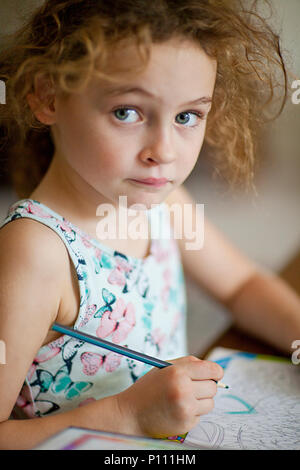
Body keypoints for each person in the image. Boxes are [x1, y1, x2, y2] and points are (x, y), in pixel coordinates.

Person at [0, 0, 299, 450]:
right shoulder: (35, 253)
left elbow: (242, 285)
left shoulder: (165, 203)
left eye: (186, 116)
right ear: (48, 96)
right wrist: (127, 415)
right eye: (127, 112)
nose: (164, 150)